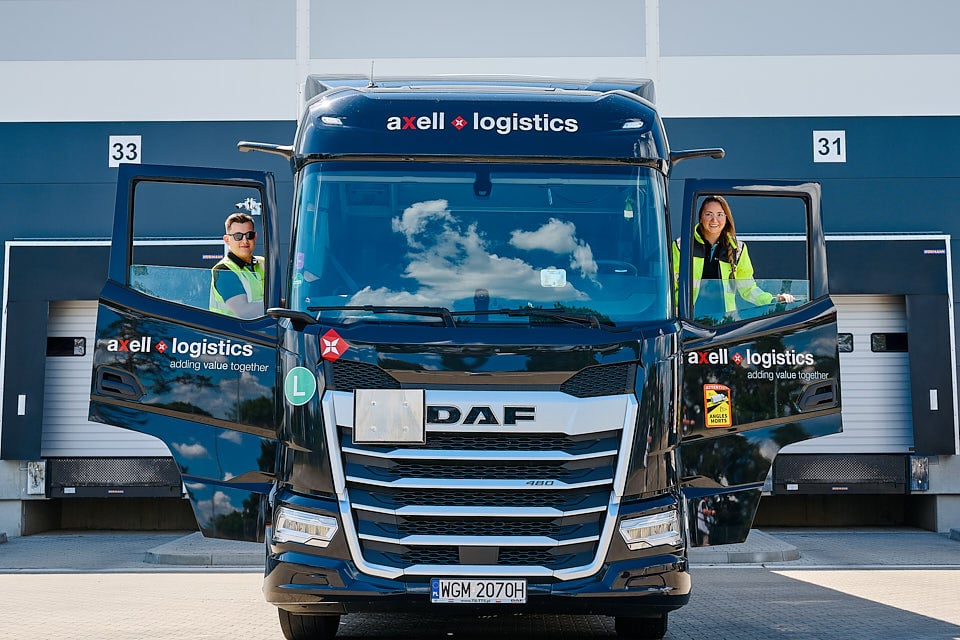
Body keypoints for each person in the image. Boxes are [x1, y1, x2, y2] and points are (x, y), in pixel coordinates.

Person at [672, 195, 794, 321]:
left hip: (725, 323)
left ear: (726, 218)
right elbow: (670, 287)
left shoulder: (738, 249)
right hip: (689, 322)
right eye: (709, 214)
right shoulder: (682, 246)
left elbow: (748, 288)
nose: (714, 220)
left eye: (720, 214)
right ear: (700, 217)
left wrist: (772, 300)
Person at [209, 212, 265, 318]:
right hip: (232, 333)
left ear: (255, 237)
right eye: (238, 236)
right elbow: (244, 311)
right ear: (227, 239)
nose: (245, 240)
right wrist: (279, 305)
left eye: (249, 235)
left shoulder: (263, 263)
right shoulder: (224, 270)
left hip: (262, 330)